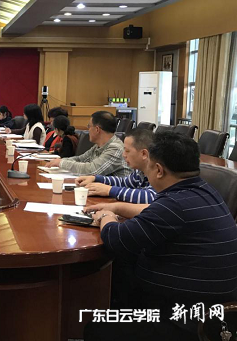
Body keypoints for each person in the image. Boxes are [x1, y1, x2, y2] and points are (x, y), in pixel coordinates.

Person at [83, 132, 237, 341]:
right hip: (208, 306)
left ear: (158, 170)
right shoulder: (204, 190)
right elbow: (152, 211)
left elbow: (116, 239)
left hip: (186, 320)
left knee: (96, 327)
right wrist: (116, 207)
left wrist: (105, 216)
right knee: (122, 268)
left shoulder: (173, 205)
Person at [76, 128, 156, 205]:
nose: (124, 155)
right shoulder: (140, 171)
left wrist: (109, 190)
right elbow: (124, 182)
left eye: (127, 151)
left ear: (144, 154)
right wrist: (95, 178)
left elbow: (150, 197)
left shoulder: (157, 171)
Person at [45, 111, 131, 176]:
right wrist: (59, 161)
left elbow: (92, 170)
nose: (88, 130)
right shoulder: (98, 146)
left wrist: (61, 163)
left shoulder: (115, 148)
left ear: (97, 129)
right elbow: (80, 159)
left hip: (114, 193)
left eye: (89, 126)